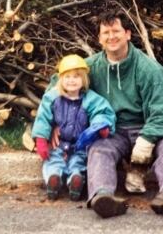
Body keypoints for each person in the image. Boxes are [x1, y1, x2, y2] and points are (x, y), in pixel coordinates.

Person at [84, 9, 163, 219]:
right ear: (99, 38)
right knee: (98, 148)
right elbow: (59, 90)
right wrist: (53, 123)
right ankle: (102, 196)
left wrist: (146, 139)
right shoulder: (90, 68)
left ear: (128, 34)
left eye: (116, 31)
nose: (111, 37)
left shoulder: (149, 69)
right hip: (112, 131)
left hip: (145, 128)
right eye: (106, 33)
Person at [31, 54, 115, 201]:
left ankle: (75, 181)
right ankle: (53, 179)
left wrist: (101, 126)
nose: (71, 80)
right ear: (60, 79)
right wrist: (41, 138)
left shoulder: (90, 98)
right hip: (59, 143)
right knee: (52, 160)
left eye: (76, 76)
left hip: (79, 144)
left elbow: (101, 111)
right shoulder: (52, 97)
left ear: (84, 80)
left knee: (78, 161)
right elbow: (43, 117)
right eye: (67, 76)